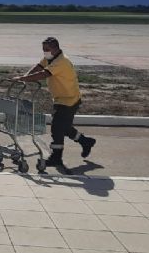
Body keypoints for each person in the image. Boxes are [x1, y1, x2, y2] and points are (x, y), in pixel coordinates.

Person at [13, 37, 96, 172]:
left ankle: (56, 158)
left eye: (47, 49)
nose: (44, 52)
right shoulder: (50, 58)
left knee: (57, 128)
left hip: (69, 100)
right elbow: (39, 66)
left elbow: (43, 74)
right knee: (64, 127)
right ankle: (86, 142)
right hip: (60, 99)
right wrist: (26, 76)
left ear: (55, 48)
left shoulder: (61, 62)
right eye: (43, 49)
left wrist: (24, 79)